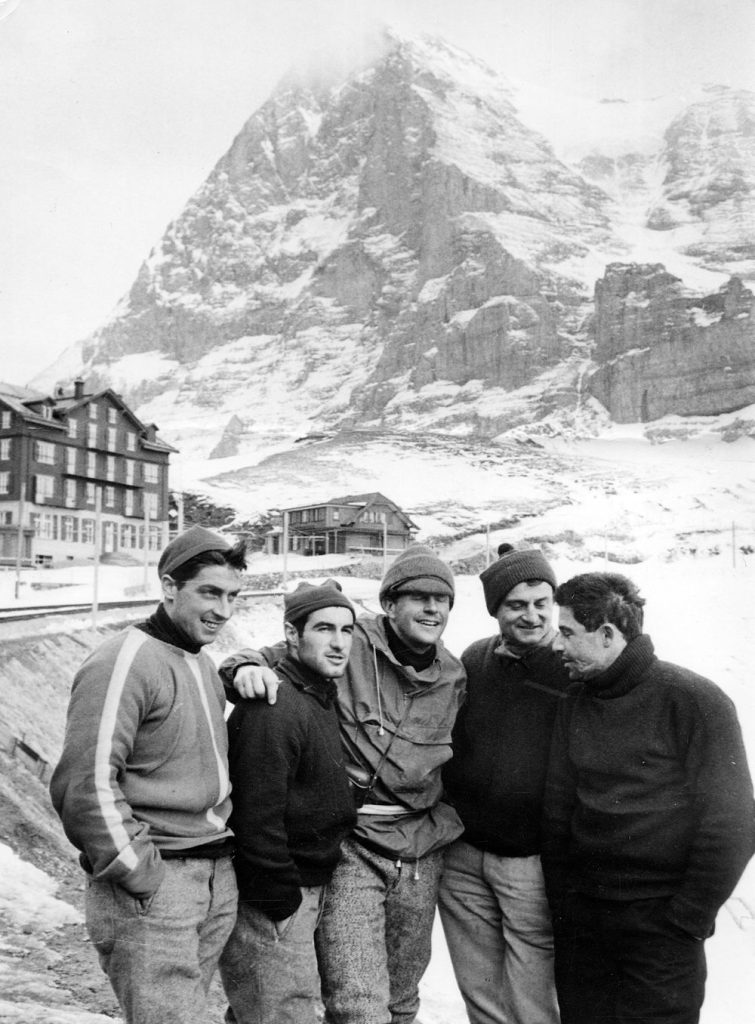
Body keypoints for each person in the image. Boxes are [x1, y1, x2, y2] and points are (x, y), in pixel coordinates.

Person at [222, 544, 466, 1024]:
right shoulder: (349, 641)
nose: (432, 608)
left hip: (422, 850)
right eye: (418, 597)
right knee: (358, 1003)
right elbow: (270, 656)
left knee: (402, 996)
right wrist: (242, 668)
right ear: (389, 604)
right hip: (356, 846)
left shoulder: (455, 675)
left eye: (442, 600)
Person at [50, 525, 248, 1024]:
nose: (222, 611)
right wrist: (138, 870)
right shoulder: (123, 660)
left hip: (209, 878)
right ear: (168, 587)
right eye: (209, 592)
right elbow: (85, 782)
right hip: (158, 886)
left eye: (231, 597)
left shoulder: (200, 663)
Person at [542, 571, 755, 1024]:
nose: (556, 646)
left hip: (661, 930)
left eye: (566, 633)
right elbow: (558, 811)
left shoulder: (694, 700)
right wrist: (566, 906)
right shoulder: (573, 702)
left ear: (606, 634)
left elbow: (733, 820)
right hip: (584, 927)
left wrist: (685, 921)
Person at [219, 580, 358, 1024]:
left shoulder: (314, 693)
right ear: (292, 635)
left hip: (301, 892)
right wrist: (278, 901)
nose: (339, 643)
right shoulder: (273, 706)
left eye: (347, 630)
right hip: (275, 900)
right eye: (324, 628)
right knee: (281, 1013)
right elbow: (255, 815)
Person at [439, 544, 566, 1024]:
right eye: (516, 605)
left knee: (536, 996)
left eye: (541, 603)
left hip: (529, 863)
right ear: (495, 609)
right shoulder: (476, 658)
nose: (532, 616)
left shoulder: (570, 666)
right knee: (481, 990)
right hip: (464, 856)